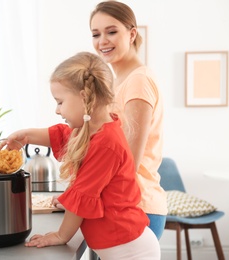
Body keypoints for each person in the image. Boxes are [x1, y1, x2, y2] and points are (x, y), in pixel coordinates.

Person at [5, 52, 160, 259]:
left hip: (132, 252)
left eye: (60, 102)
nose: (57, 110)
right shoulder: (94, 132)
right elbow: (63, 136)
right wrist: (25, 136)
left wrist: (61, 235)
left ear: (84, 98)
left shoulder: (106, 144)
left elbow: (82, 195)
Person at [88, 0, 167, 240]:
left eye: (112, 32)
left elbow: (128, 162)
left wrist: (83, 195)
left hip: (136, 207)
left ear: (132, 34)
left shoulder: (137, 81)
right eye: (96, 34)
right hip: (124, 205)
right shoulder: (119, 82)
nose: (103, 41)